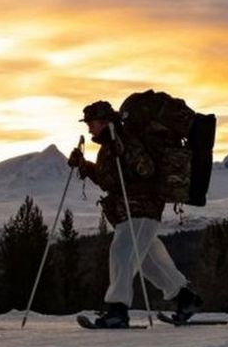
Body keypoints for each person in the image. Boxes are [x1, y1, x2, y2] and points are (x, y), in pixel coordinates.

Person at [68, 101, 202, 328]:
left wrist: (123, 150)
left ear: (103, 121)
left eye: (90, 123)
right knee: (152, 263)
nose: (89, 128)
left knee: (121, 253)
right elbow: (109, 180)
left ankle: (117, 310)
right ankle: (186, 299)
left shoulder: (125, 138)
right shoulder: (109, 146)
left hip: (141, 208)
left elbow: (146, 169)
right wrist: (85, 166)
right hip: (131, 212)